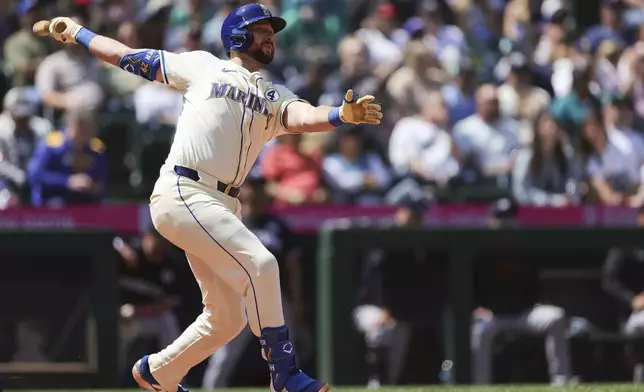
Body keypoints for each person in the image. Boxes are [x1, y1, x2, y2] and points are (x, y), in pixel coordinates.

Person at [39, 4, 382, 392]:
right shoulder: (203, 66)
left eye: (272, 30)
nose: (270, 35)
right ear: (237, 34)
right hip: (184, 189)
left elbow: (302, 116)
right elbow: (126, 56)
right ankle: (284, 374)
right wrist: (79, 33)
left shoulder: (273, 91)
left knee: (227, 316)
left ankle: (158, 373)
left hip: (221, 204)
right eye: (261, 29)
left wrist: (341, 114)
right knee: (262, 264)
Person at [202, 178, 308, 388]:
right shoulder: (233, 221)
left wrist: (296, 301)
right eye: (251, 189)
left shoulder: (278, 226)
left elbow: (292, 266)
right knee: (225, 354)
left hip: (275, 298)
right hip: (242, 296)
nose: (255, 194)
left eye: (259, 189)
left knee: (284, 353)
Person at [471, 198, 573, 386]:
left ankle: (562, 382)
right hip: (492, 316)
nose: (505, 224)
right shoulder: (480, 250)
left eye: (509, 219)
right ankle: (480, 386)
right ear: (491, 221)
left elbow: (536, 283)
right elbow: (469, 285)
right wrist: (475, 307)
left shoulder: (524, 248)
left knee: (556, 317)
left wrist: (539, 302)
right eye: (501, 219)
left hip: (524, 313)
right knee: (479, 331)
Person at [27, 109, 107, 207]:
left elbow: (101, 181)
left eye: (87, 130)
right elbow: (34, 174)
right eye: (80, 130)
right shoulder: (52, 143)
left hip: (85, 203)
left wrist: (93, 186)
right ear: (70, 126)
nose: (83, 136)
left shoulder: (96, 149)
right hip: (53, 201)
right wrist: (68, 181)